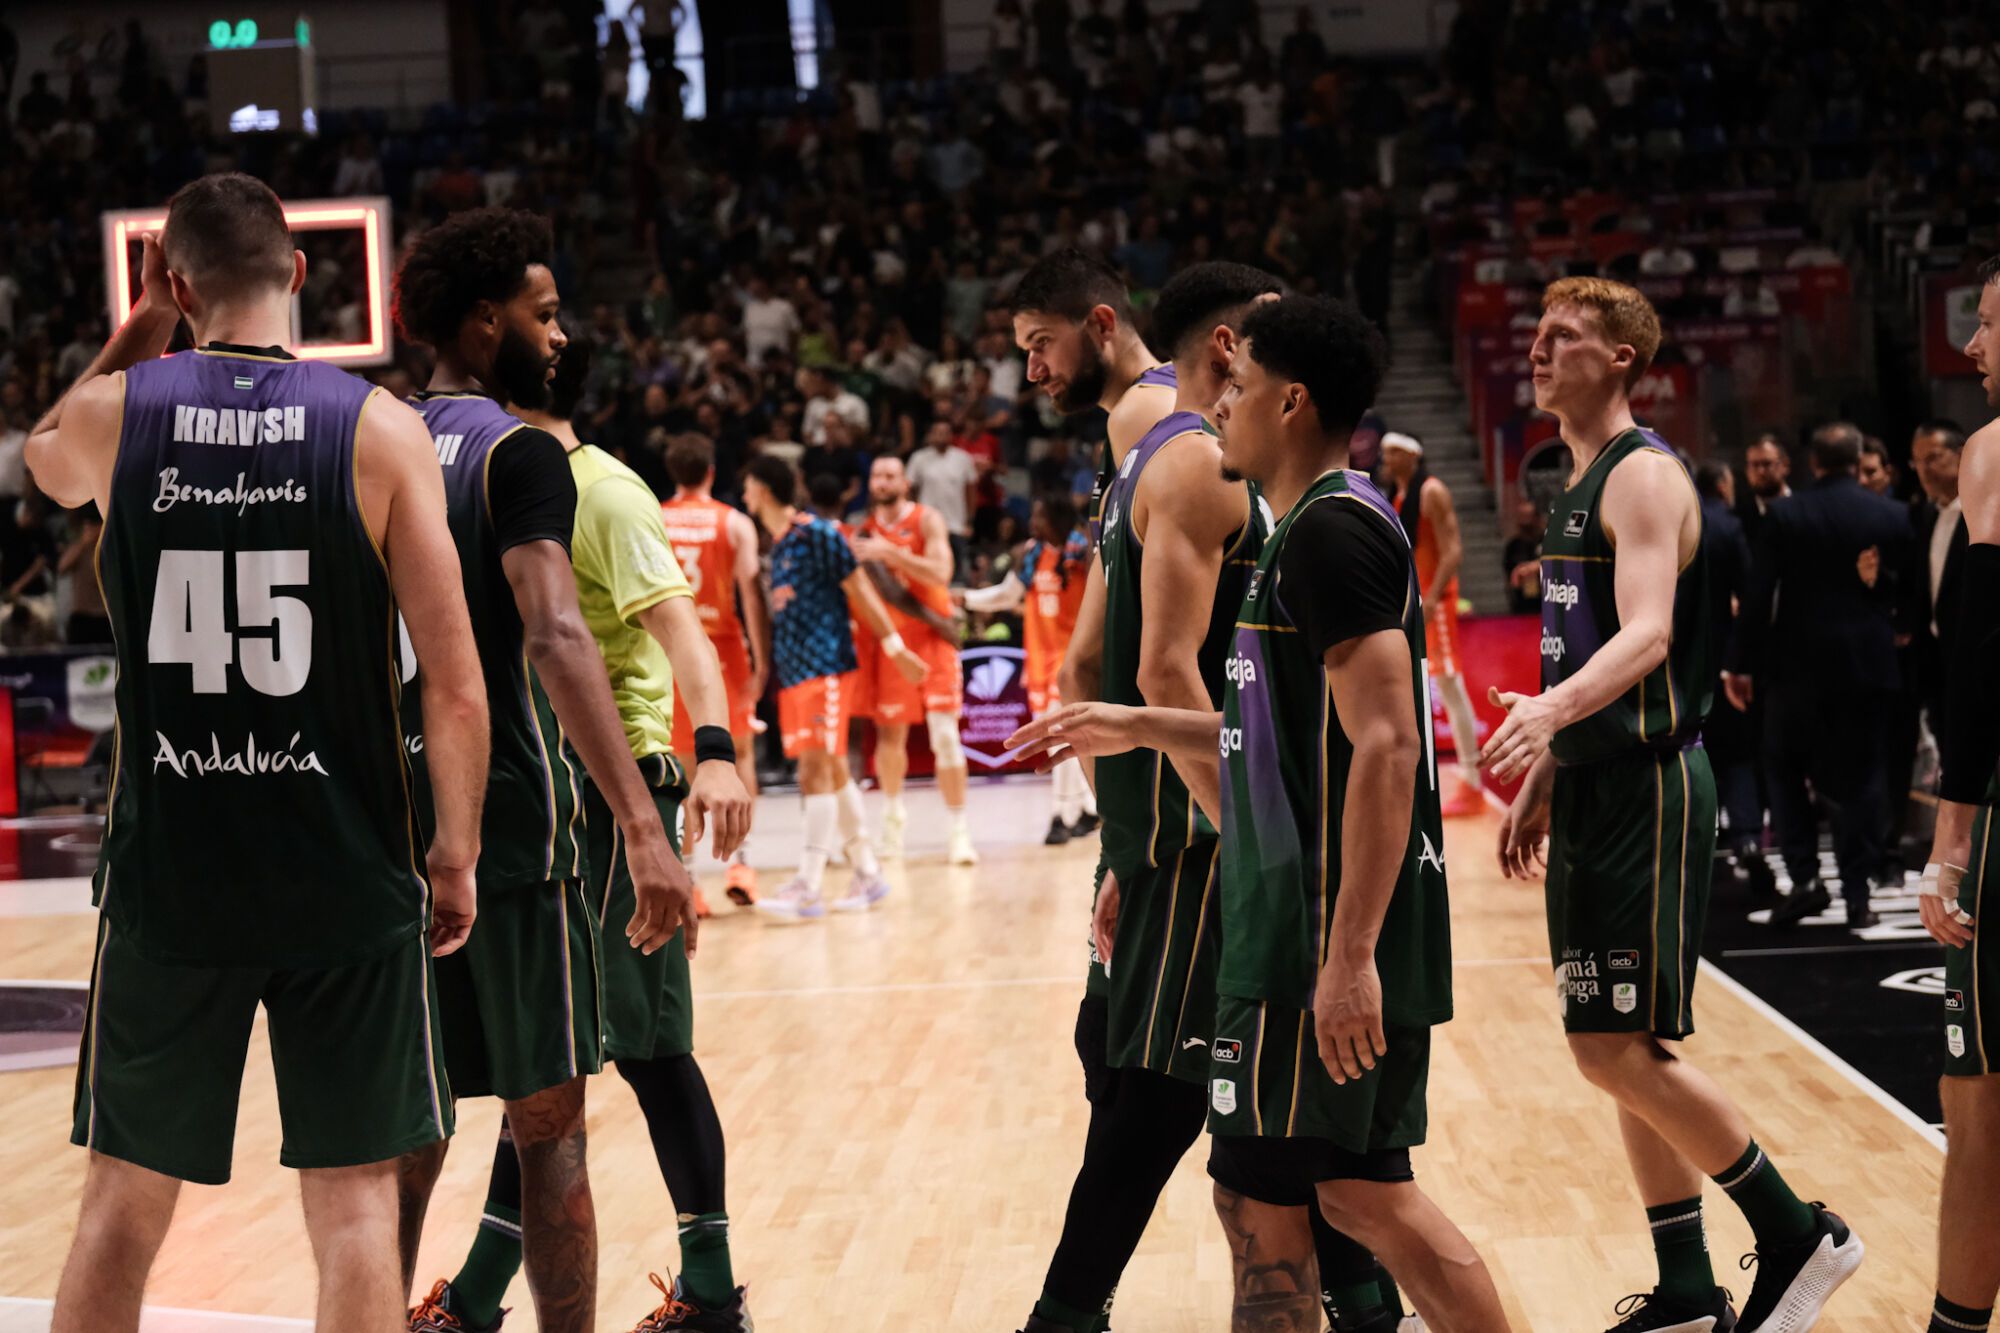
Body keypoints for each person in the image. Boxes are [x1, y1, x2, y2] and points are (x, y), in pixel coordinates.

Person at [26, 173, 489, 1333]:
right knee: (353, 1213)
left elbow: (39, 456)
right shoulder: (380, 429)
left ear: (178, 284)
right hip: (343, 867)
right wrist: (455, 849)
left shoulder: (115, 414)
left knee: (122, 1206)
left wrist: (138, 331)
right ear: (303, 276)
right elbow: (456, 678)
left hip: (175, 872)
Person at [1010, 293, 1512, 1333]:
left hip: (1314, 931)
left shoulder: (1330, 532)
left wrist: (1348, 955)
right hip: (1305, 926)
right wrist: (1134, 724)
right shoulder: (1307, 532)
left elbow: (1385, 745)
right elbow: (1269, 740)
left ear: (1287, 403)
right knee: (1351, 1190)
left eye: (1233, 389)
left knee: (1277, 1196)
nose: (1213, 405)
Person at [1488, 278, 1862, 1333]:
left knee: (1608, 1045)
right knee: (1622, 1045)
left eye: (1565, 335)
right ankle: (1685, 1287)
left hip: (1649, 784)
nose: (1539, 347)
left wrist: (1547, 715)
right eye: (1538, 330)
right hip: (1594, 778)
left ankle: (1797, 1233)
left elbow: (1645, 635)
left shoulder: (1643, 477)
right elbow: (1583, 643)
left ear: (1621, 358)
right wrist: (1542, 775)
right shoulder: (1569, 480)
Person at [410, 321, 756, 1333]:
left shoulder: (598, 490)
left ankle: (707, 1289)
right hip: (544, 802)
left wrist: (718, 746)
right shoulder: (489, 480)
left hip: (616, 797)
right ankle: (479, 1298)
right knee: (546, 1071)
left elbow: (680, 627)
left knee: (643, 1050)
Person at [1727, 422, 1911, 930]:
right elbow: (1909, 599)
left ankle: (1806, 880)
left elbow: (1759, 597)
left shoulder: (1786, 514)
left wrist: (1739, 665)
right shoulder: (1893, 515)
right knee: (1863, 781)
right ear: (1858, 461)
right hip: (1867, 670)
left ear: (1811, 463)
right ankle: (1858, 896)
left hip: (1796, 673)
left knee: (1784, 771)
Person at [1918, 250, 2000, 1333]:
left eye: (1985, 322)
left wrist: (1947, 835)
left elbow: (1984, 647)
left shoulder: (1990, 451)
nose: (1973, 347)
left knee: (1974, 1092)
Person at [740, 454, 924, 920]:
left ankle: (809, 881)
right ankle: (867, 873)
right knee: (835, 770)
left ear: (762, 488)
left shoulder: (817, 534)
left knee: (813, 772)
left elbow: (860, 589)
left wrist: (894, 644)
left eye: (747, 487)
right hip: (794, 674)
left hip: (825, 668)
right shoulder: (778, 546)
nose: (743, 495)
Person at [849, 453, 976, 865]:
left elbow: (941, 572)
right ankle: (892, 824)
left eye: (890, 475)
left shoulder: (926, 519)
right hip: (891, 645)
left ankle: (958, 831)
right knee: (890, 739)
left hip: (932, 638)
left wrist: (892, 554)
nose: (883, 481)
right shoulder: (860, 531)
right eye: (877, 475)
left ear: (905, 482)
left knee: (944, 736)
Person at [662, 432, 769, 909]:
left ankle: (689, 880)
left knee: (684, 765)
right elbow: (752, 594)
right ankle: (741, 863)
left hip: (672, 646)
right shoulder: (735, 523)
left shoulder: (656, 517)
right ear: (711, 472)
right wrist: (763, 660)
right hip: (724, 647)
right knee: (738, 754)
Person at [958, 493, 1099, 845]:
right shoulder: (1032, 553)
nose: (1032, 522)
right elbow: (1008, 595)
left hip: (1073, 659)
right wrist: (968, 599)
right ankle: (1085, 808)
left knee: (1061, 737)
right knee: (1059, 737)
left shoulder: (1084, 552)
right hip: (1039, 656)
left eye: (1039, 515)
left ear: (1057, 516)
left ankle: (1060, 814)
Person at [1381, 432, 1483, 817]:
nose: (1385, 459)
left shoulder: (1432, 491)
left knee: (1452, 686)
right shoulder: (1400, 495)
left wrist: (1433, 598)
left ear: (1411, 454)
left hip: (1434, 605)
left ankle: (1472, 782)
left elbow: (1453, 549)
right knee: (1423, 690)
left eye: (1392, 453)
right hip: (1414, 602)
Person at [1692, 461, 1773, 904]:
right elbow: (1752, 590)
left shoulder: (1674, 519)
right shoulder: (1727, 526)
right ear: (1724, 484)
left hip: (1673, 663)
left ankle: (1697, 845)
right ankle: (1745, 838)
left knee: (1690, 751)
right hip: (1724, 656)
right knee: (1739, 753)